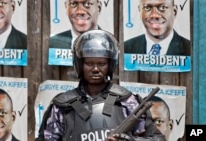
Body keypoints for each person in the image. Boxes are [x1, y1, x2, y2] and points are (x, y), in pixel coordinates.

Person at [36, 30, 165, 141]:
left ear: (110, 65)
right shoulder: (63, 106)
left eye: (101, 63)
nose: (96, 69)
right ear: (80, 65)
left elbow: (157, 139)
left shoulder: (126, 101)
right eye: (89, 63)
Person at [124, 0, 190, 55]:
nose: (154, 15)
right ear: (140, 11)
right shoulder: (126, 48)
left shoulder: (190, 49)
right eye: (147, 8)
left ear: (174, 11)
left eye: (162, 7)